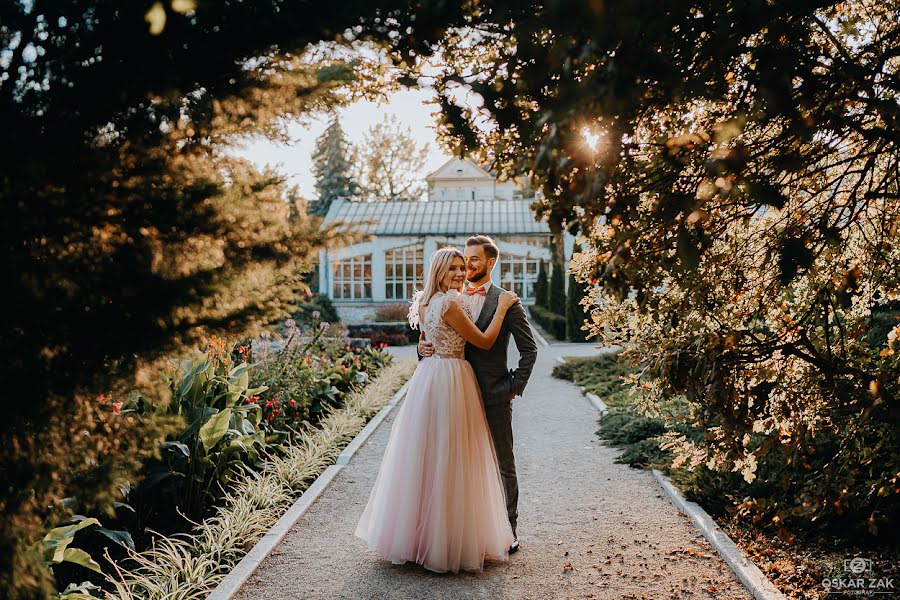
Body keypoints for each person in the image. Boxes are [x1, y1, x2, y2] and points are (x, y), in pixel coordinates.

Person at [355, 247, 520, 573]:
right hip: (451, 378)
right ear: (439, 272)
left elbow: (429, 338)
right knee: (453, 457)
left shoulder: (427, 301)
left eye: (462, 267)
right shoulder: (450, 302)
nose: (459, 274)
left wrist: (421, 346)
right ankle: (446, 541)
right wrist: (501, 307)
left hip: (430, 377)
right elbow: (484, 342)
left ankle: (419, 537)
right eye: (453, 269)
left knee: (426, 457)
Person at [418, 235, 538, 553]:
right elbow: (436, 336)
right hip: (455, 394)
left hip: (493, 394)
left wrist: (512, 387)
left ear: (490, 262)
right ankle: (465, 533)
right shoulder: (450, 296)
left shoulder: (507, 302)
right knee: (459, 463)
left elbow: (530, 350)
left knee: (502, 463)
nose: (468, 265)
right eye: (464, 259)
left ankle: (509, 531)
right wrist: (422, 347)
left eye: (474, 259)